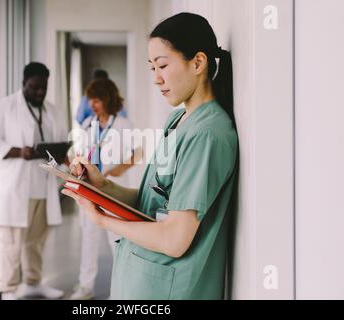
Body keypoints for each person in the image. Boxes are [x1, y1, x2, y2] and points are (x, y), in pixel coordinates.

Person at [62, 12, 238, 299]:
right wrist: (100, 186)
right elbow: (152, 201)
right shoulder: (176, 121)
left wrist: (103, 220)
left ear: (198, 63)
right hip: (140, 281)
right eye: (151, 68)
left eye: (163, 66)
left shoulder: (207, 135)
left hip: (168, 290)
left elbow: (175, 239)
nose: (157, 79)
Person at [0, 62, 67, 300]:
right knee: (10, 243)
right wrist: (19, 152)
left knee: (36, 240)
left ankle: (32, 282)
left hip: (42, 186)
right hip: (14, 189)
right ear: (24, 84)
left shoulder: (52, 111)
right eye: (34, 87)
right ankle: (8, 288)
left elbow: (61, 142)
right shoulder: (3, 108)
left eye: (43, 87)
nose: (40, 92)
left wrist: (63, 154)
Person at [70, 78, 142, 300]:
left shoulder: (123, 124)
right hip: (91, 189)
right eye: (91, 99)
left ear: (107, 99)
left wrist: (118, 170)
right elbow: (79, 152)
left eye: (98, 99)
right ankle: (85, 287)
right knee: (89, 240)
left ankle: (121, 291)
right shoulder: (87, 124)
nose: (93, 103)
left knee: (117, 241)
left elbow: (138, 153)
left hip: (114, 188)